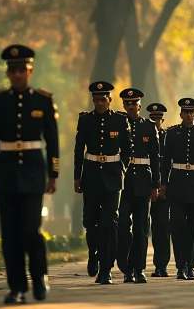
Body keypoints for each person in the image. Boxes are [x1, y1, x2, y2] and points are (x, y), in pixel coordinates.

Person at [0, 44, 59, 304]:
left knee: (30, 231)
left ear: (30, 70)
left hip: (33, 173)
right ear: (7, 72)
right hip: (5, 173)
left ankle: (39, 277)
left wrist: (53, 174)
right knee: (10, 235)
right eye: (12, 70)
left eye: (21, 69)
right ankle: (16, 287)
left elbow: (53, 140)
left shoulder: (42, 100)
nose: (17, 74)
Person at [73, 81, 132, 285]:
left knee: (109, 222)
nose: (100, 103)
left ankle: (106, 269)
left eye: (103, 99)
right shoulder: (85, 120)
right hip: (91, 176)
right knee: (90, 221)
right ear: (93, 100)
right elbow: (78, 150)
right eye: (96, 100)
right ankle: (93, 252)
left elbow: (128, 149)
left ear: (109, 100)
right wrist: (77, 176)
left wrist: (121, 169)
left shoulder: (119, 120)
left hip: (112, 177)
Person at [160, 98, 194, 280]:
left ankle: (191, 265)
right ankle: (180, 264)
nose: (189, 115)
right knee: (177, 226)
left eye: (191, 112)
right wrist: (164, 183)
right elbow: (165, 160)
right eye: (185, 112)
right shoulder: (172, 133)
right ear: (181, 114)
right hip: (177, 183)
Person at [116, 88, 159, 284]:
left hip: (143, 181)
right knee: (123, 225)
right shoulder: (117, 123)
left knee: (141, 228)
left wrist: (156, 185)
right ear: (124, 105)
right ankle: (125, 265)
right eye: (127, 103)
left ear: (140, 106)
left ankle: (138, 268)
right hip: (124, 183)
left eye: (134, 104)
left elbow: (156, 159)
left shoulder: (149, 127)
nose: (131, 107)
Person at [147, 103, 171, 277]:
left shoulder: (168, 138)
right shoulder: (142, 134)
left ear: (162, 120)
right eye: (152, 118)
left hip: (162, 188)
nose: (155, 121)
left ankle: (161, 264)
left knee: (161, 227)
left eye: (158, 119)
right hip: (143, 184)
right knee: (145, 227)